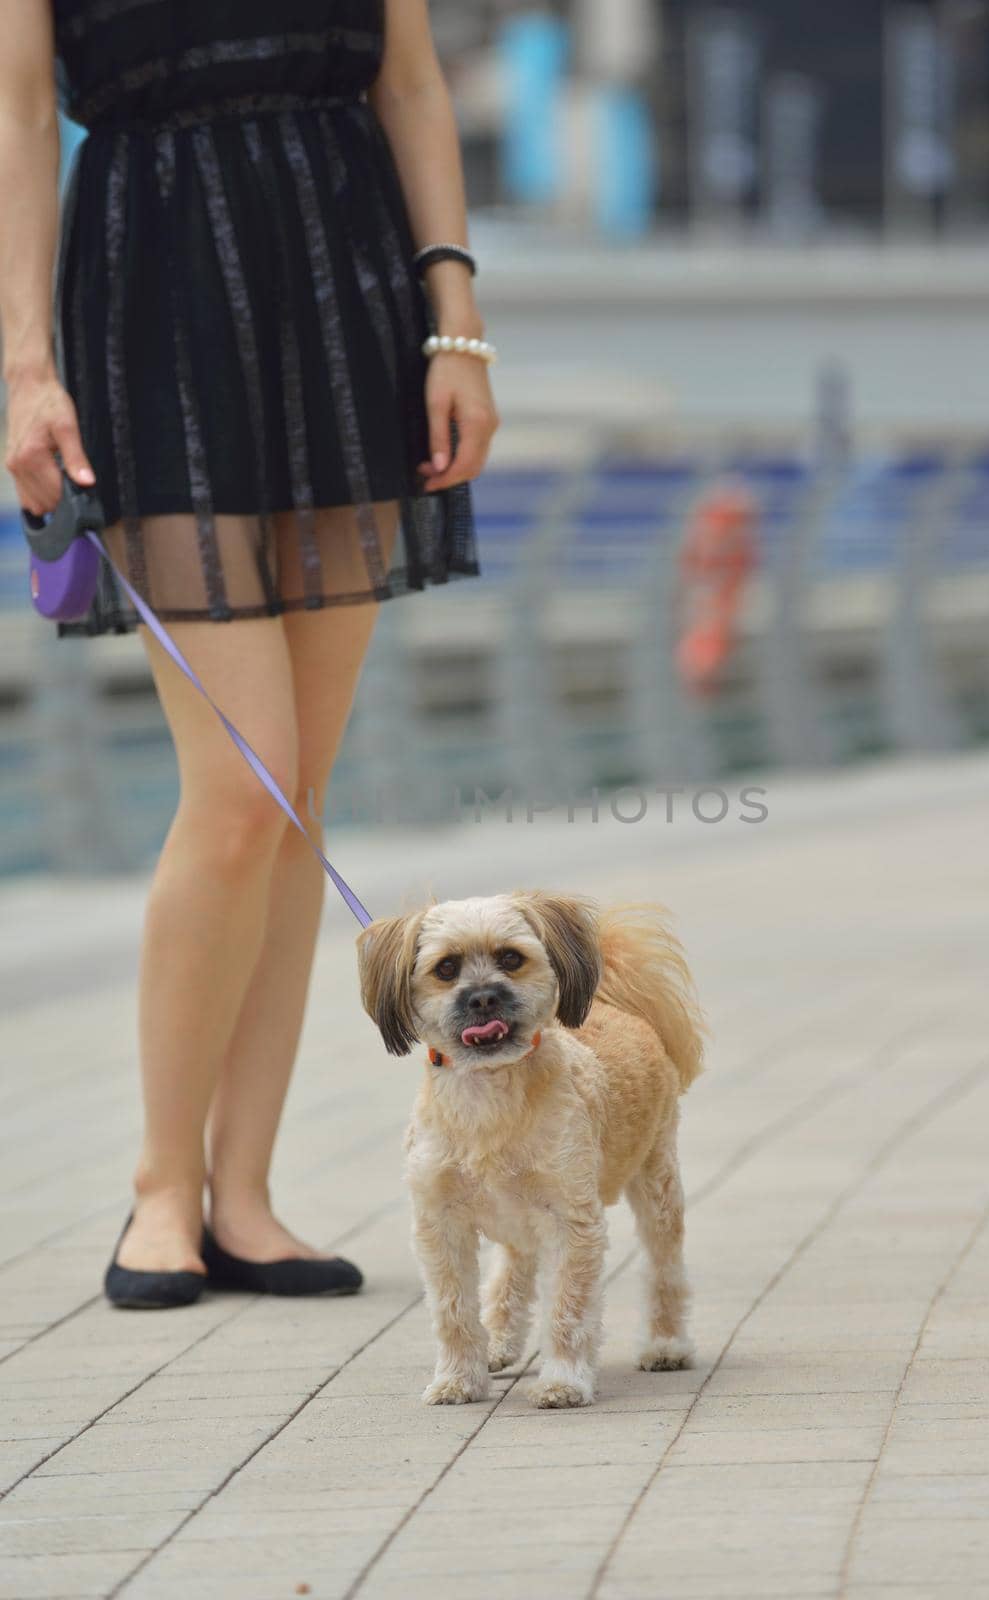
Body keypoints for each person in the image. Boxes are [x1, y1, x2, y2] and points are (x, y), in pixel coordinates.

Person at [0, 0, 498, 1306]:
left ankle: (248, 1197)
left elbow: (410, 88)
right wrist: (23, 372)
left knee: (296, 797)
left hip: (346, 300)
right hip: (152, 303)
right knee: (242, 790)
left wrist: (455, 326)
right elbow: (18, 114)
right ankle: (160, 1190)